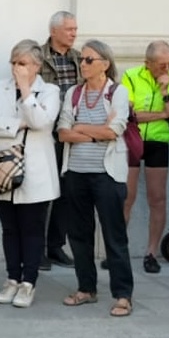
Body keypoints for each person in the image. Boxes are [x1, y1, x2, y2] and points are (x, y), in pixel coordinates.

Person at [58, 39, 136, 317]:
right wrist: (92, 131)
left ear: (105, 63)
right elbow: (63, 131)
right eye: (82, 59)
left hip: (107, 175)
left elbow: (114, 131)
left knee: (114, 235)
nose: (83, 64)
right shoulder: (73, 94)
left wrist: (82, 128)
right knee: (79, 235)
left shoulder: (118, 92)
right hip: (76, 173)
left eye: (89, 60)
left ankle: (123, 294)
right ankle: (86, 288)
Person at [0, 40, 61, 309]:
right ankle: (11, 278)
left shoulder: (49, 91)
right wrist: (18, 124)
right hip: (4, 169)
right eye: (14, 62)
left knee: (32, 229)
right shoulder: (0, 87)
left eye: (23, 63)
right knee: (9, 228)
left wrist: (27, 90)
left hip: (36, 171)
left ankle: (28, 282)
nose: (17, 68)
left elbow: (42, 122)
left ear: (37, 66)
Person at [121, 40, 169, 273]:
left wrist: (165, 93)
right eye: (161, 65)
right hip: (132, 139)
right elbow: (130, 116)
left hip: (158, 142)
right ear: (147, 63)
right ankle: (118, 250)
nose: (167, 69)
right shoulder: (130, 76)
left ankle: (151, 252)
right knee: (125, 197)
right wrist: (162, 113)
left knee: (157, 199)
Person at [39, 10, 81, 270]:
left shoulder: (81, 58)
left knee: (67, 192)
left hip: (73, 132)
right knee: (44, 192)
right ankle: (38, 248)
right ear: (53, 31)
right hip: (46, 132)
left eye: (75, 29)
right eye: (69, 29)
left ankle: (56, 245)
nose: (74, 33)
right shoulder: (38, 57)